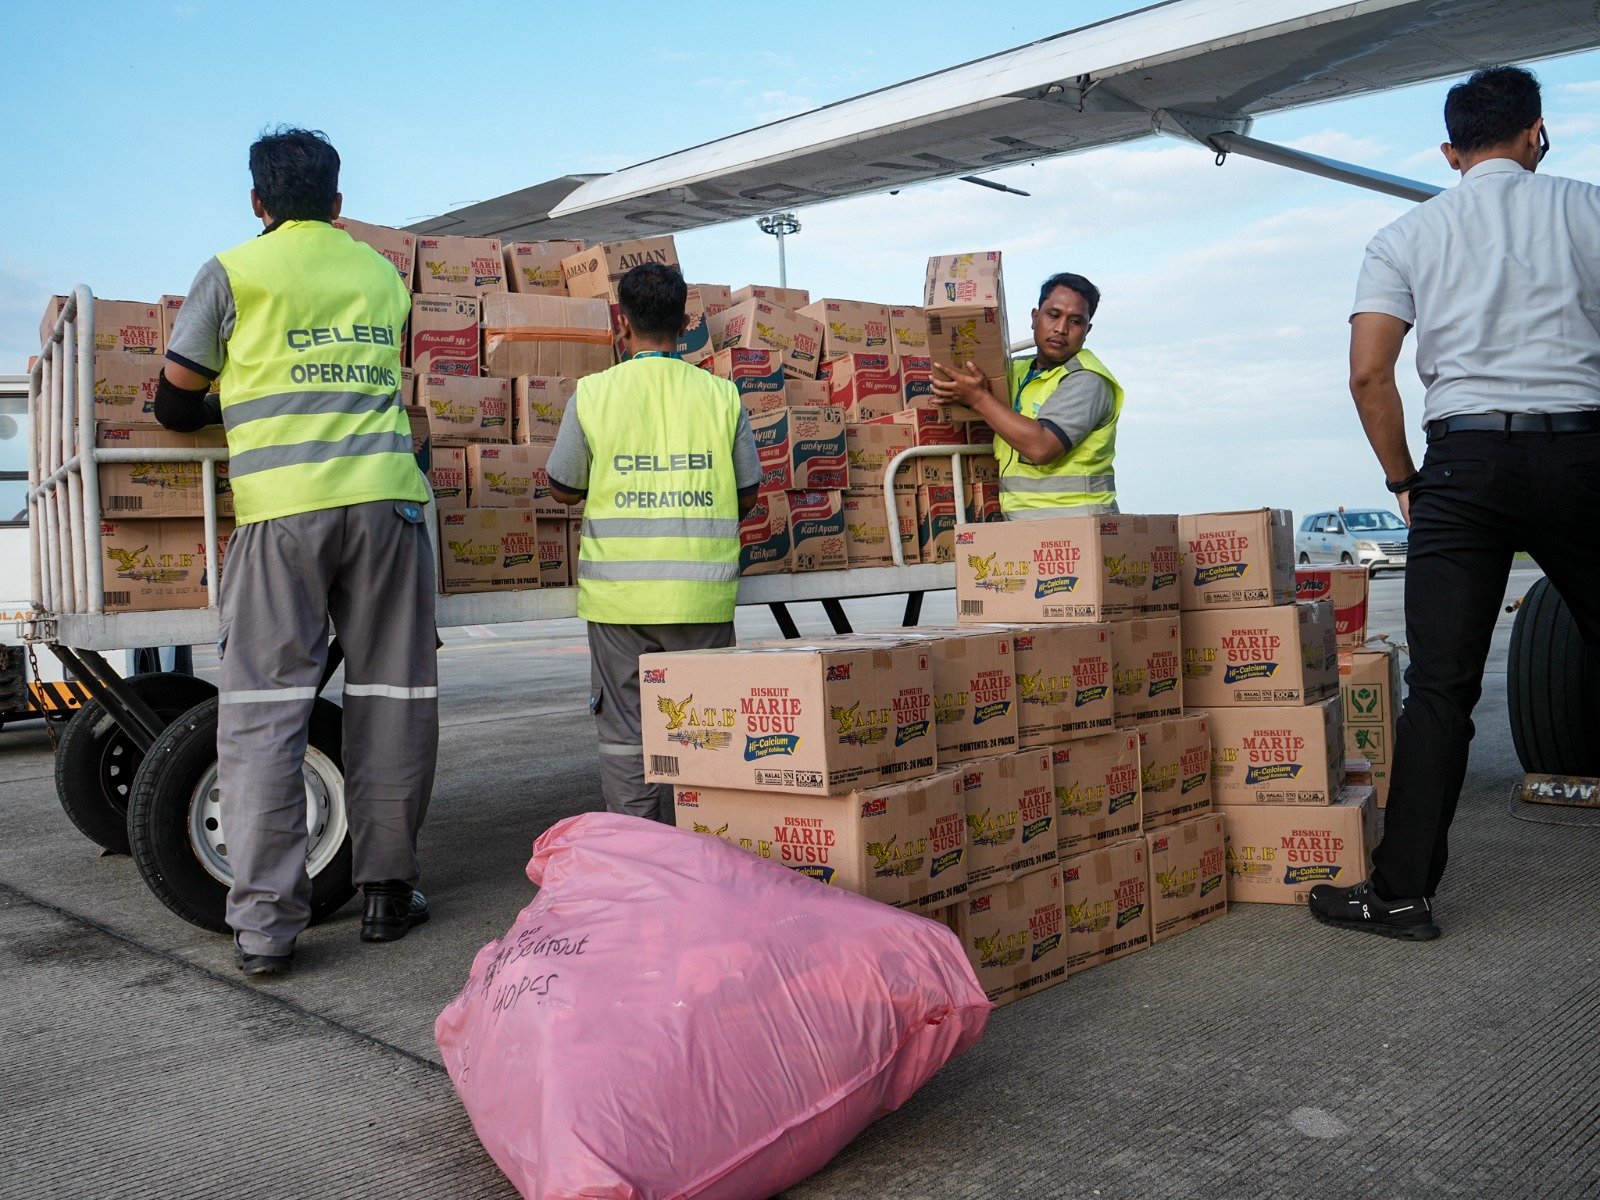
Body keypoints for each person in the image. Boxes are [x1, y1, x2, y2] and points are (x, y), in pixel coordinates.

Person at [1310, 66, 1600, 941]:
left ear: (1449, 152)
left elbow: (1369, 375)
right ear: (1536, 133)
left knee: (1440, 688)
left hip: (1464, 465)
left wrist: (1406, 481)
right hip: (1584, 451)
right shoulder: (1590, 209)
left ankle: (1400, 894)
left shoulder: (1405, 235)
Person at [157, 127, 438, 977]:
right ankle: (387, 893)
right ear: (338, 202)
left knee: (263, 715)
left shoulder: (232, 272)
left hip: (283, 513)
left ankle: (266, 929)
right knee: (393, 698)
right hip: (387, 506)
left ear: (258, 201)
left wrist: (230, 404)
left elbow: (174, 403)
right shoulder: (381, 274)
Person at [547, 262, 760, 823]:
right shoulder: (722, 396)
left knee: (625, 737)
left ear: (622, 322)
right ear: (686, 323)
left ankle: (639, 851)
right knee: (707, 733)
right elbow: (747, 495)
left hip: (620, 603)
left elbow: (563, 487)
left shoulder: (593, 394)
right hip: (701, 600)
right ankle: (710, 845)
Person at [928, 272, 1123, 517]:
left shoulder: (1087, 379)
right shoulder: (1015, 370)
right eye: (1053, 315)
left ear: (1087, 330)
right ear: (1034, 317)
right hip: (1025, 522)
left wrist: (978, 398)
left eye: (1075, 321)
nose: (1061, 329)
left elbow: (1042, 447)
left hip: (1078, 522)